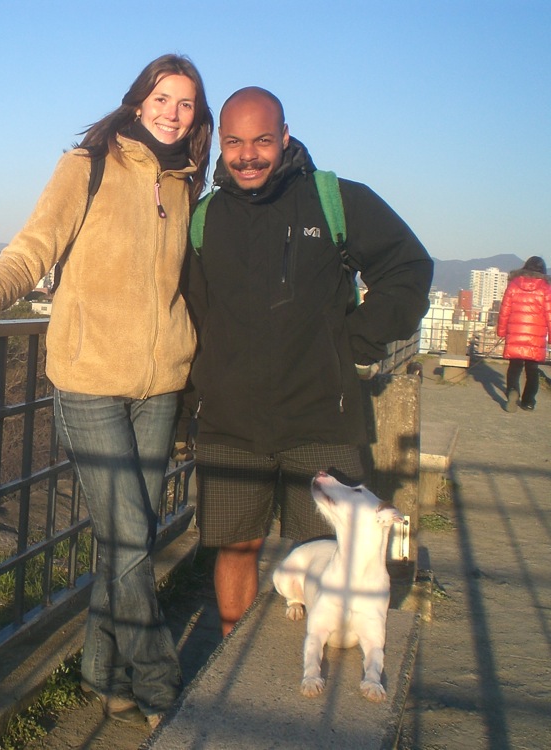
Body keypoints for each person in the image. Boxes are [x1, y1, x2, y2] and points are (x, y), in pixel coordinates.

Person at [0, 54, 213, 727]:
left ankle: (98, 669)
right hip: (87, 381)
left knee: (126, 539)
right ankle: (159, 682)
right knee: (131, 535)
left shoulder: (185, 186)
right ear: (138, 100)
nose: (173, 112)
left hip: (159, 385)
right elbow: (35, 247)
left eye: (186, 104)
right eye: (162, 97)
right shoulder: (84, 168)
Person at [181, 86, 433, 638]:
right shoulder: (205, 219)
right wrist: (187, 404)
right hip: (230, 419)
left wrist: (357, 342)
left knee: (327, 545)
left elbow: (408, 266)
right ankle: (228, 667)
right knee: (235, 545)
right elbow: (193, 318)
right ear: (221, 146)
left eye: (263, 141)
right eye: (235, 143)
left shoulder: (335, 199)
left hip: (322, 410)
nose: (248, 155)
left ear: (286, 137)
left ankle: (318, 674)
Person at [497, 256, 551, 411]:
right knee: (532, 371)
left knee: (514, 367)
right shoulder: (546, 288)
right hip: (536, 337)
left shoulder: (514, 285)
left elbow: (504, 311)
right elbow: (550, 314)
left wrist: (501, 331)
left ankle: (513, 391)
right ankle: (528, 402)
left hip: (515, 334)